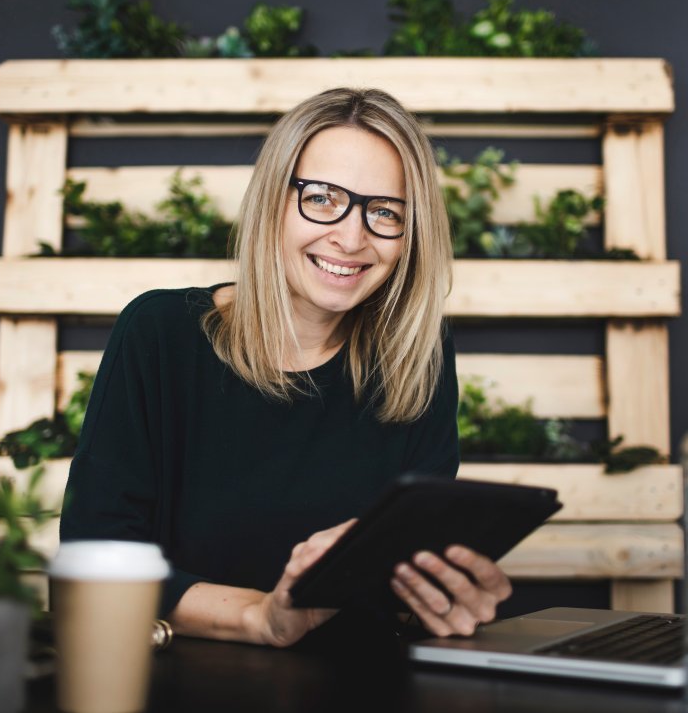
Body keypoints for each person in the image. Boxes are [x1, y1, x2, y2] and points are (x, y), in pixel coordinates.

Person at [60, 87, 512, 647]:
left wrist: (438, 600)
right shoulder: (158, 334)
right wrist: (262, 617)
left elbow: (401, 576)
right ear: (274, 199)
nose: (351, 237)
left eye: (385, 211)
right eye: (322, 198)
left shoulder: (419, 354)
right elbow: (94, 566)